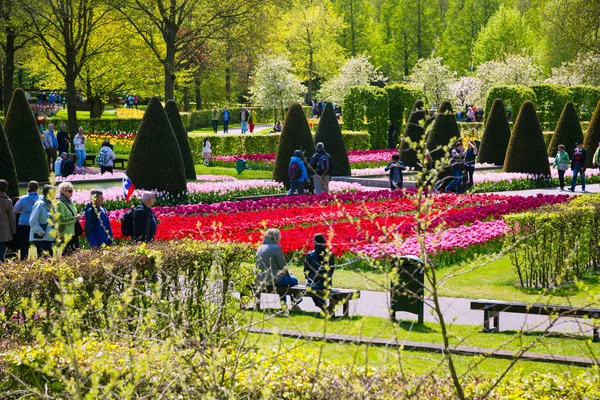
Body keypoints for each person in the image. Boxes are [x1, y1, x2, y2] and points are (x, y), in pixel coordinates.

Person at [255, 228, 301, 309]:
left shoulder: (260, 247)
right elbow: (283, 266)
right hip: (272, 279)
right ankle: (294, 304)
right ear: (275, 237)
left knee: (283, 281)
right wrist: (289, 274)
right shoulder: (276, 248)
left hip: (260, 279)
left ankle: (284, 304)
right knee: (293, 280)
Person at [304, 233, 335, 311]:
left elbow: (306, 271)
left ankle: (320, 304)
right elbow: (331, 270)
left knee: (309, 285)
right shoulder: (330, 255)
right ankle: (322, 304)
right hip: (326, 284)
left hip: (313, 283)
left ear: (314, 242)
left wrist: (309, 278)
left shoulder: (310, 255)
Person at [14, 181, 39, 260]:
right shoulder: (40, 198)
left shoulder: (23, 199)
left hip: (24, 223)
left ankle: (23, 260)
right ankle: (41, 258)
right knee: (38, 242)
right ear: (37, 189)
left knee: (24, 243)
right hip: (36, 222)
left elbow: (15, 209)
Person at [30, 185, 54, 258]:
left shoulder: (51, 204)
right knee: (46, 257)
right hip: (40, 236)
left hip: (48, 236)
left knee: (48, 256)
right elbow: (32, 220)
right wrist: (40, 231)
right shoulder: (39, 204)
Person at [57, 182, 80, 255]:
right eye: (69, 191)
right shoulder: (59, 203)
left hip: (74, 231)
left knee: (76, 254)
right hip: (65, 233)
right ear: (62, 191)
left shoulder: (71, 202)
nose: (71, 193)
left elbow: (73, 214)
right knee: (67, 254)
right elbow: (61, 220)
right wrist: (74, 219)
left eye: (72, 190)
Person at [0, 180, 16, 262]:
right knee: (1, 245)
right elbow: (11, 217)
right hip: (3, 227)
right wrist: (13, 230)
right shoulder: (8, 201)